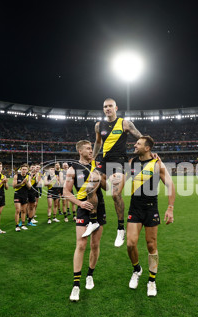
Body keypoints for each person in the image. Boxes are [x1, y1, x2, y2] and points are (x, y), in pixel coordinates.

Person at [125, 136, 175, 297]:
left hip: (150, 209)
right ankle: (137, 269)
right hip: (135, 208)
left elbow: (170, 185)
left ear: (147, 148)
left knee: (151, 245)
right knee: (131, 244)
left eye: (138, 144)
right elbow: (121, 180)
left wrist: (170, 208)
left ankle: (152, 281)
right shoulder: (132, 163)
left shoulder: (157, 164)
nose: (135, 145)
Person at [92, 98, 144, 247]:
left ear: (116, 108)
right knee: (91, 183)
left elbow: (141, 137)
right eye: (105, 107)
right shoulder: (98, 125)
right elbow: (97, 143)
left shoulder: (124, 123)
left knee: (115, 194)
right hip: (104, 161)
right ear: (103, 109)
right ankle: (94, 221)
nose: (107, 108)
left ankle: (121, 228)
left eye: (110, 106)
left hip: (120, 162)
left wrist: (147, 151)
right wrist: (93, 157)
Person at [63, 140, 107, 302]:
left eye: (91, 148)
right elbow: (66, 192)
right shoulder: (73, 169)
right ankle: (76, 285)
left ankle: (90, 275)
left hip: (99, 208)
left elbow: (106, 187)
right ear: (80, 151)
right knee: (81, 244)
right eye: (88, 149)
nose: (91, 151)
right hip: (83, 209)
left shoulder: (97, 166)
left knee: (95, 245)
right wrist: (80, 203)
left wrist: (100, 175)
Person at [13, 164, 31, 231]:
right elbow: (14, 186)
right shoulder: (16, 176)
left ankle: (23, 224)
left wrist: (26, 183)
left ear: (27, 170)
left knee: (24, 211)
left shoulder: (28, 177)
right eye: (23, 169)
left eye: (25, 169)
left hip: (25, 195)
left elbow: (29, 187)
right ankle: (17, 226)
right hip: (17, 194)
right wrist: (21, 183)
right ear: (20, 169)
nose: (24, 171)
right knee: (18, 210)